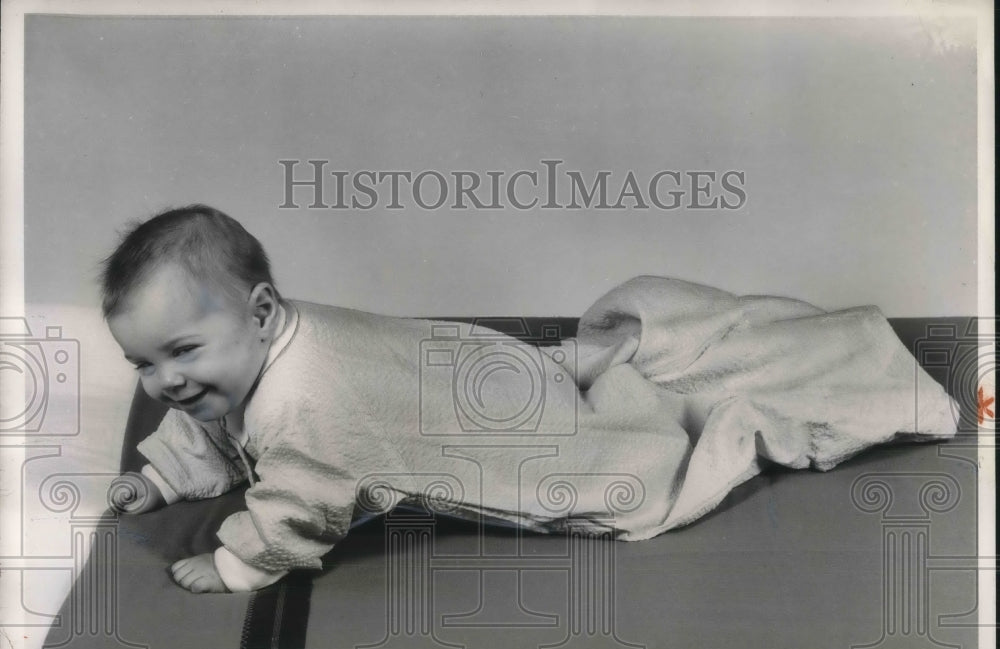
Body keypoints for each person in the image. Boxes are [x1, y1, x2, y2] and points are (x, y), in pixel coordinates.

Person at [105, 205, 959, 594]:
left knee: (618, 471)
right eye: (144, 364)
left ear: (259, 312)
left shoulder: (301, 405)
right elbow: (210, 415)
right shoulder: (265, 345)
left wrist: (235, 561)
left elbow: (301, 507)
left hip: (525, 448)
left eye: (183, 351)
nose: (168, 381)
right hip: (491, 375)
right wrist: (168, 478)